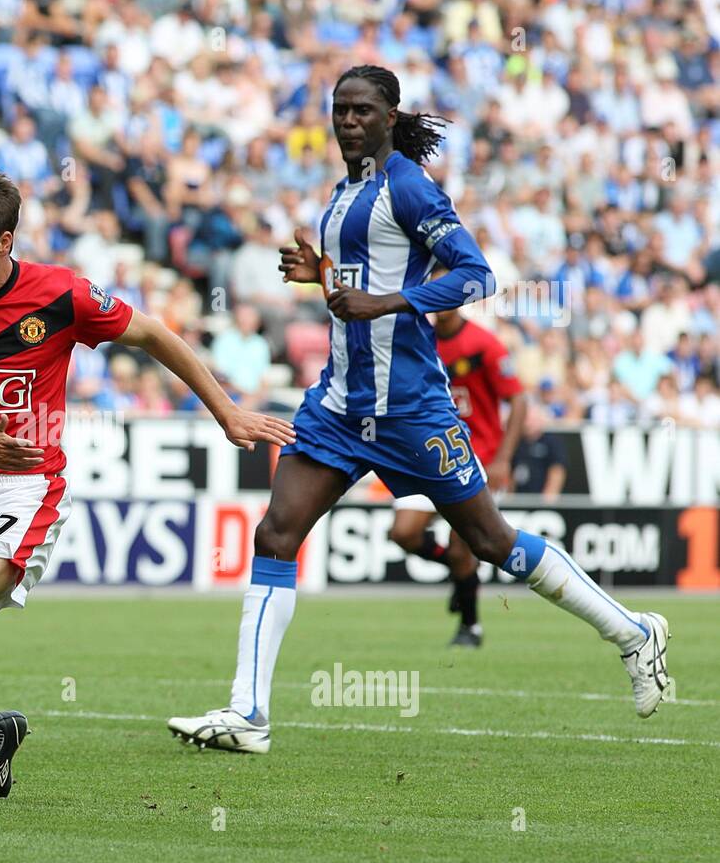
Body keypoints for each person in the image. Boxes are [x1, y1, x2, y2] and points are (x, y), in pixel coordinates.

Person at [167, 65, 672, 756]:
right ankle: (248, 714)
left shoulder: (406, 184)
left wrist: (387, 302)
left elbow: (476, 274)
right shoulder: (344, 194)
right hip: (341, 406)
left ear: (389, 116)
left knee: (492, 542)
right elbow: (363, 282)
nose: (348, 120)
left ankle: (635, 633)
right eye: (339, 110)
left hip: (411, 411)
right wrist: (321, 273)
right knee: (276, 534)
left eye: (362, 110)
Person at [0, 165, 294, 808]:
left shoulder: (61, 294)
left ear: (4, 242)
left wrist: (226, 411)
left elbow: (155, 333)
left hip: (20, 489)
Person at [388, 306, 527, 647]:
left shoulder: (484, 344)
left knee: (462, 542)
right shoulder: (420, 338)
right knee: (403, 532)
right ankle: (458, 573)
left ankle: (470, 626)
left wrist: (503, 460)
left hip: (477, 459)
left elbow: (519, 400)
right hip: (431, 454)